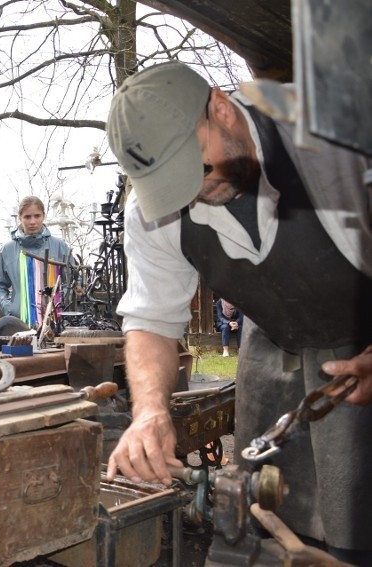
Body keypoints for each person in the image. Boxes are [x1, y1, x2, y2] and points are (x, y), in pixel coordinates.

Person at [105, 61, 371, 562]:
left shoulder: (338, 132)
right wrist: (150, 412)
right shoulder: (152, 210)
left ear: (221, 109)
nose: (193, 192)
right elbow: (151, 320)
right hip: (273, 344)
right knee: (258, 521)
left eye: (197, 169)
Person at [0, 196, 72, 327]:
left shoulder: (60, 246)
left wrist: (59, 304)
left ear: (43, 216)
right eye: (27, 217)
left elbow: (71, 282)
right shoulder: (7, 250)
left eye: (37, 216)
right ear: (20, 218)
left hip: (56, 322)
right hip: (19, 322)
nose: (32, 221)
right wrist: (9, 308)